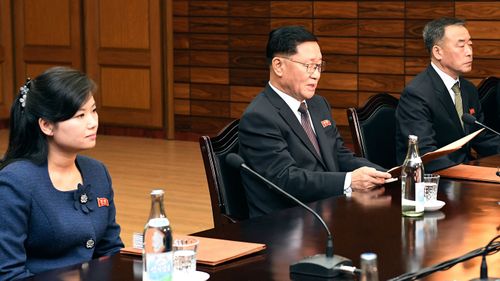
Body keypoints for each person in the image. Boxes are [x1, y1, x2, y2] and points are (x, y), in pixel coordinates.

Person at [238, 26, 391, 218]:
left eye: (318, 66)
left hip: (326, 210)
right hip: (285, 222)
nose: (316, 75)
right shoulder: (259, 117)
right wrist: (349, 181)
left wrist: (389, 175)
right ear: (278, 65)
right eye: (308, 66)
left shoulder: (318, 104)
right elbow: (286, 179)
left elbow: (339, 154)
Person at [0, 67, 124, 279]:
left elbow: (111, 252)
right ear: (47, 125)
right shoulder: (15, 182)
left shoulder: (97, 172)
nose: (93, 122)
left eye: (93, 110)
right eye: (80, 115)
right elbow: (9, 274)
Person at [395, 18, 500, 173]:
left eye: (470, 44)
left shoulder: (467, 89)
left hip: (463, 177)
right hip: (432, 181)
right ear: (437, 52)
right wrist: (471, 172)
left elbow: (482, 138)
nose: (469, 52)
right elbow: (425, 155)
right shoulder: (417, 94)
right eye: (461, 45)